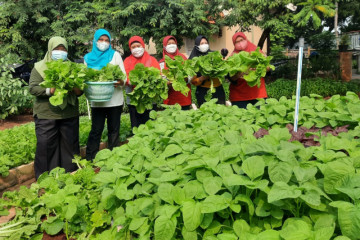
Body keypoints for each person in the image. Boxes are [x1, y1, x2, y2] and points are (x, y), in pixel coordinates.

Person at [29, 36, 82, 179]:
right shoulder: (39, 67)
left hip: (68, 114)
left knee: (69, 147)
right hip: (47, 114)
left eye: (63, 49)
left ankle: (69, 177)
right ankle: (45, 180)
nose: (60, 52)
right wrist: (50, 90)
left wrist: (75, 86)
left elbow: (79, 92)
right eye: (56, 49)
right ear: (50, 50)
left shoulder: (73, 67)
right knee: (45, 147)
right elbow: (33, 88)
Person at [84, 29, 126, 161]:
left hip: (115, 101)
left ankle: (114, 158)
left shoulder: (115, 56)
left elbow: (124, 77)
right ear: (95, 41)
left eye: (107, 40)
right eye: (101, 40)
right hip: (98, 101)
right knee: (96, 130)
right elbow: (85, 78)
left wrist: (119, 82)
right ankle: (91, 158)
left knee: (114, 130)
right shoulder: (88, 58)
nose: (104, 42)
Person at [124, 36, 160, 128]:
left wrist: (149, 82)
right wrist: (132, 82)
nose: (136, 49)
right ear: (130, 48)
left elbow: (158, 75)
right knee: (136, 125)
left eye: (138, 46)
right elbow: (125, 76)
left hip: (150, 98)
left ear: (143, 46)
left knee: (151, 124)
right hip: (134, 99)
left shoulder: (152, 60)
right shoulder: (127, 61)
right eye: (133, 47)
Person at [228, 32, 268, 109]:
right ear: (234, 44)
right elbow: (230, 77)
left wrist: (258, 68)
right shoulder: (232, 57)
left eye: (241, 40)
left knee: (260, 118)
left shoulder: (257, 52)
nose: (240, 43)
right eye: (237, 42)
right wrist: (239, 74)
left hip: (258, 94)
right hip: (239, 96)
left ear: (246, 39)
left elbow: (268, 68)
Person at [189, 35, 226, 107]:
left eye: (206, 43)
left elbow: (224, 69)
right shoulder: (193, 59)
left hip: (218, 90)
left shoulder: (214, 55)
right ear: (197, 45)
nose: (204, 45)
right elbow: (193, 81)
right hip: (203, 91)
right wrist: (203, 78)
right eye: (201, 43)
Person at [159, 35, 192, 110]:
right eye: (169, 44)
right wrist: (168, 83)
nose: (171, 45)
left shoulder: (183, 58)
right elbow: (161, 79)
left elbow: (190, 75)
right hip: (170, 99)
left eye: (173, 43)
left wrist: (186, 78)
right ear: (164, 46)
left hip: (184, 98)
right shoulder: (162, 62)